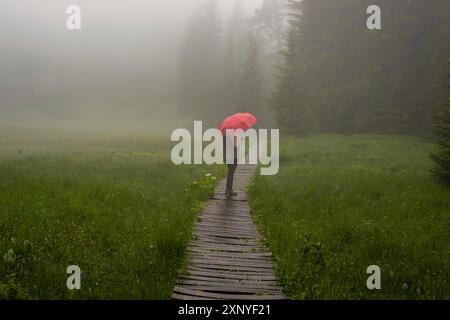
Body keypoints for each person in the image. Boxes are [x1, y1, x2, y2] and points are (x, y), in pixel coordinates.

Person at [223, 133, 238, 198]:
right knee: (231, 173)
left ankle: (229, 190)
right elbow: (235, 146)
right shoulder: (233, 135)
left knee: (230, 172)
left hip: (226, 156)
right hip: (233, 156)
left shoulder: (224, 135)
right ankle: (228, 190)